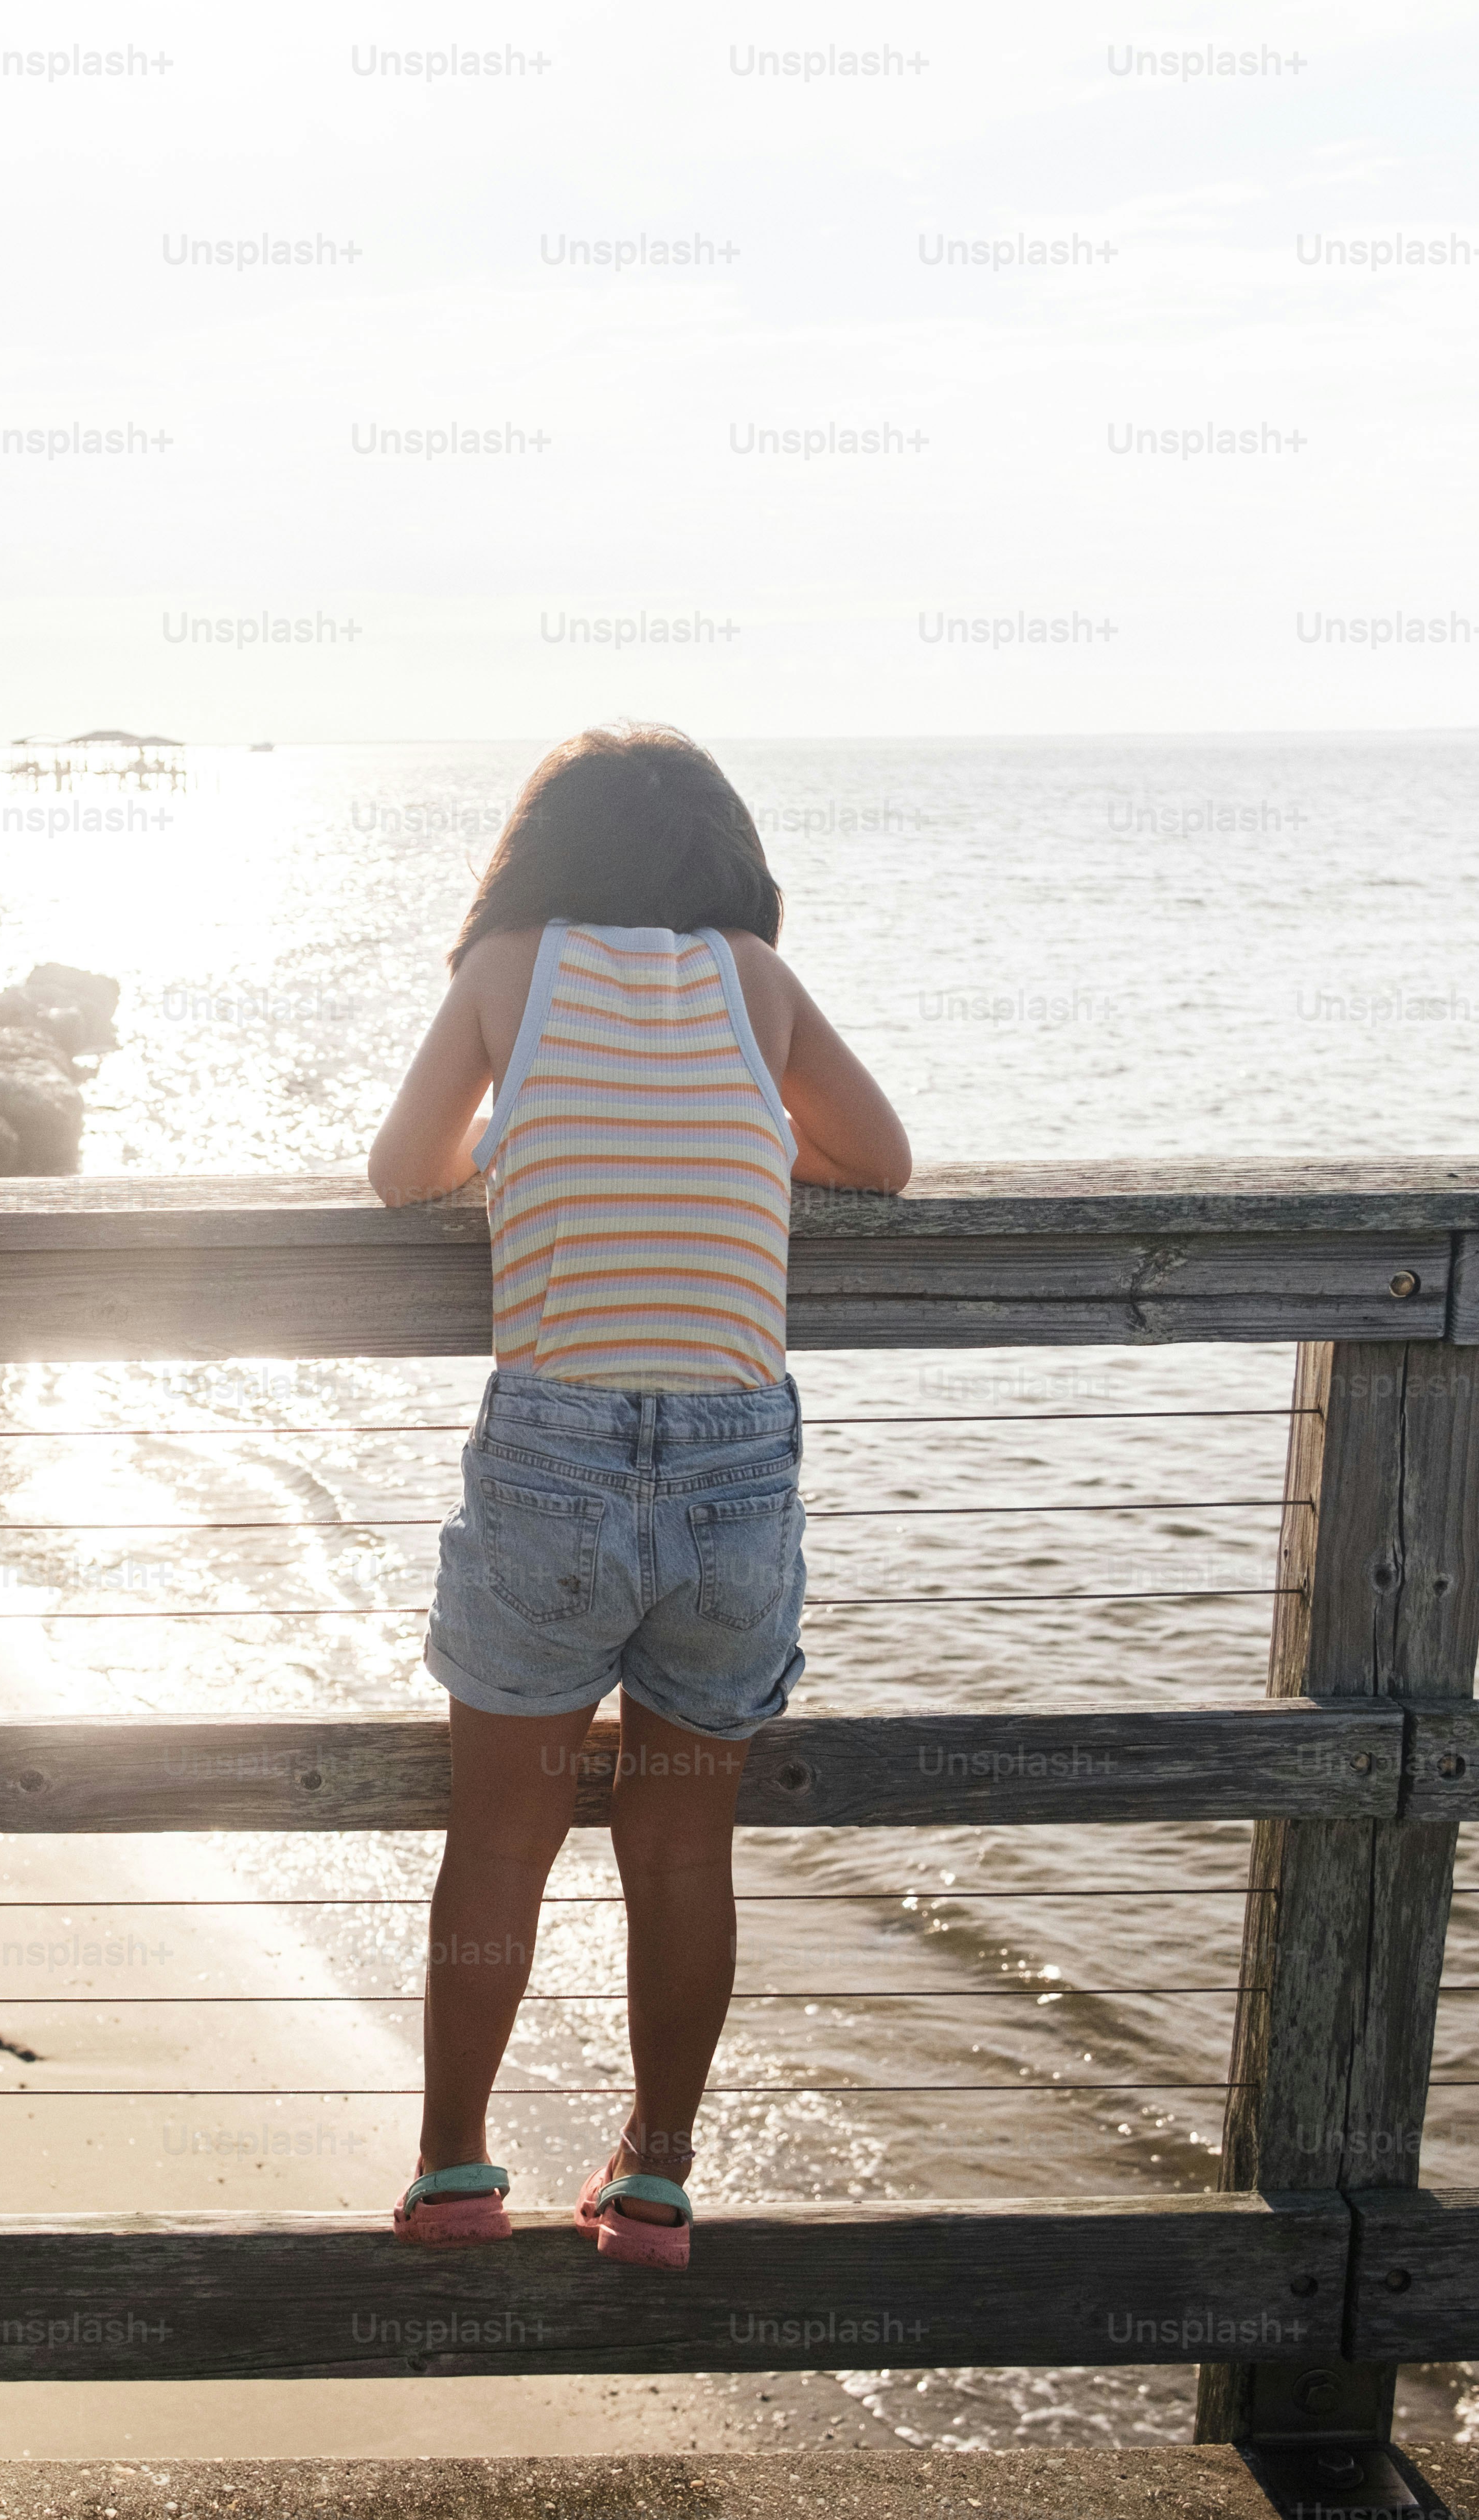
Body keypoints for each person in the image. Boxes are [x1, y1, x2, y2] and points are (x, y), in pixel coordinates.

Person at [365, 727, 912, 2266]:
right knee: (680, 1849)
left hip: (552, 1449)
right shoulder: (752, 976)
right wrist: (732, 1128)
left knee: (498, 1842)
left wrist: (525, 1130)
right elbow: (881, 1157)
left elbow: (401, 1173)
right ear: (726, 857)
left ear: (539, 853)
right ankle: (657, 2178)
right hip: (737, 1461)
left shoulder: (506, 972)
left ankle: (454, 2169)